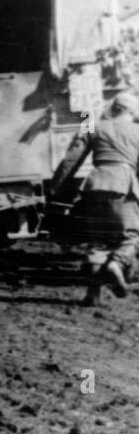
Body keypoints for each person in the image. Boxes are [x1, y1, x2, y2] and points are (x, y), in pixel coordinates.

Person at [81, 91, 139, 305]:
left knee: (97, 243)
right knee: (131, 237)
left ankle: (92, 296)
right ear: (131, 111)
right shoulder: (137, 130)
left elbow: (72, 157)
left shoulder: (90, 123)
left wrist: (58, 189)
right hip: (124, 185)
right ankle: (117, 263)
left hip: (94, 185)